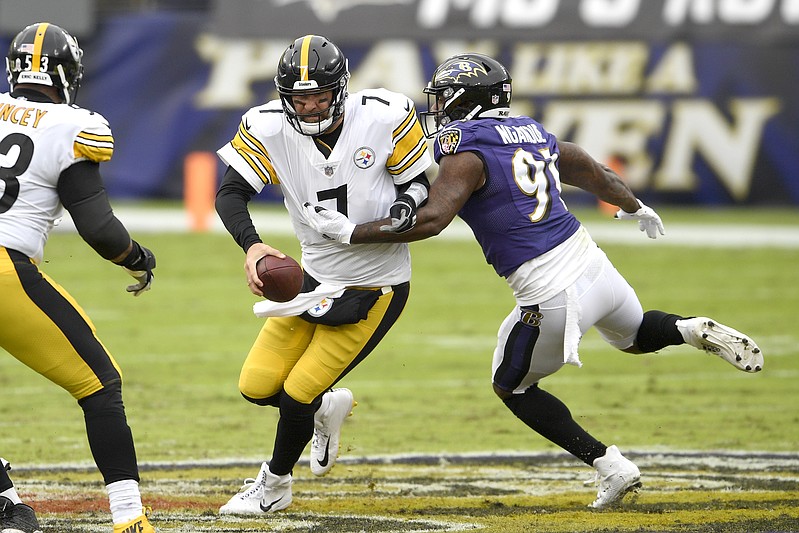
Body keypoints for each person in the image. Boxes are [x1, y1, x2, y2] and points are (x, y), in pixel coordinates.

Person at [302, 52, 764, 509]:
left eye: (444, 99)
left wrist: (351, 233)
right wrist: (633, 204)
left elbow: (434, 219)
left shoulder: (465, 149)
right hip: (593, 264)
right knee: (636, 336)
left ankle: (610, 466)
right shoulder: (529, 130)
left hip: (551, 292)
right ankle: (688, 328)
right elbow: (591, 169)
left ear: (466, 101)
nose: (437, 108)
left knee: (511, 387)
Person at [214, 34, 432, 514]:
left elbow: (417, 183)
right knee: (256, 387)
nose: (310, 107)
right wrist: (252, 248)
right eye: (299, 98)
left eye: (318, 96)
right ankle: (326, 408)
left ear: (341, 89)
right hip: (312, 278)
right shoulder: (267, 126)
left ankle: (274, 487)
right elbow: (229, 193)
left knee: (296, 394)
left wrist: (397, 210)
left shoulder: (384, 115)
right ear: (283, 95)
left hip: (375, 284)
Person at [0, 23, 157, 533]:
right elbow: (98, 227)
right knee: (100, 384)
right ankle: (129, 518)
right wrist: (136, 257)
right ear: (67, 74)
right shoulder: (72, 125)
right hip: (5, 271)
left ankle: (4, 502)